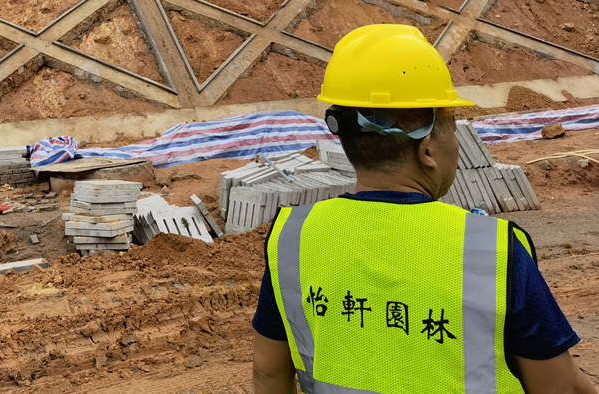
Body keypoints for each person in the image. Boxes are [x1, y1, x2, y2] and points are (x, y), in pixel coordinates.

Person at [252, 24, 595, 394]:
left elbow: (268, 373)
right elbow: (558, 388)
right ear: (427, 147)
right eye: (453, 127)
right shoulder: (491, 250)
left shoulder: (293, 238)